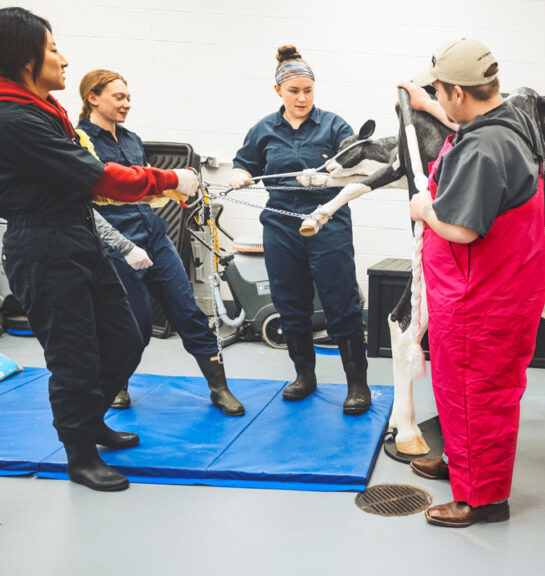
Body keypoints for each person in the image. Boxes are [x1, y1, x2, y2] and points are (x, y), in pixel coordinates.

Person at [0, 7, 199, 492]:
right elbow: (97, 176)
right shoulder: (15, 118)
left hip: (78, 234)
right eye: (51, 49)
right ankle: (80, 455)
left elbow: (93, 184)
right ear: (27, 59)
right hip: (42, 242)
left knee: (126, 336)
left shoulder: (45, 109)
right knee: (74, 357)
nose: (63, 59)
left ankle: (91, 422)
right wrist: (172, 179)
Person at [402, 38, 545, 527]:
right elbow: (470, 129)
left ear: (460, 94)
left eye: (439, 92)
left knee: (477, 393)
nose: (438, 99)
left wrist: (424, 210)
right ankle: (461, 464)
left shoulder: (484, 149)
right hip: (497, 286)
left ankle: (482, 500)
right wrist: (425, 105)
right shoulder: (508, 117)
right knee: (456, 385)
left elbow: (462, 228)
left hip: (481, 297)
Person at [76, 69, 244, 416]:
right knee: (131, 324)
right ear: (93, 97)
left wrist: (183, 192)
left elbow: (143, 188)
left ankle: (218, 387)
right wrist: (121, 244)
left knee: (189, 312)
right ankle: (118, 383)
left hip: (153, 233)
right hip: (116, 241)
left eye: (128, 97)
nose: (126, 104)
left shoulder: (133, 140)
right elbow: (94, 197)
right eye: (118, 97)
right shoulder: (79, 142)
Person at [230, 45, 370, 415]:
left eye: (308, 90)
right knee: (290, 304)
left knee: (342, 302)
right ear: (279, 90)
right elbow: (243, 164)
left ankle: (358, 384)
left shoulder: (334, 125)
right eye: (294, 91)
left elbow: (354, 155)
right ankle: (304, 376)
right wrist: (240, 175)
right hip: (280, 226)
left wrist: (344, 160)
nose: (302, 97)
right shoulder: (263, 129)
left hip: (327, 224)